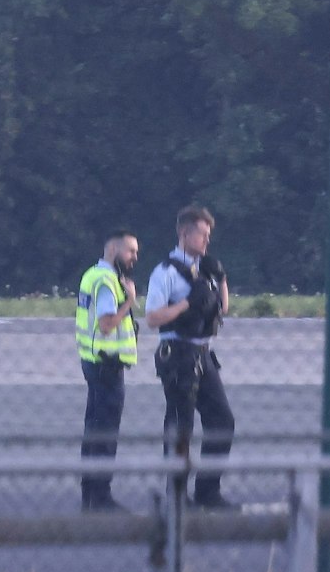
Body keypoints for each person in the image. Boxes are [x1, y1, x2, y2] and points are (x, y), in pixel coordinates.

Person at [144, 203, 236, 509]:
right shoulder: (166, 272)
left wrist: (221, 279)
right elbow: (153, 318)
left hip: (202, 352)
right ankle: (177, 495)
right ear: (185, 233)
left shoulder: (205, 270)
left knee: (222, 421)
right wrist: (185, 305)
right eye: (202, 235)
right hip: (178, 354)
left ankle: (208, 491)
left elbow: (222, 309)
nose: (207, 241)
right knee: (181, 425)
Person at [76, 229, 140, 511]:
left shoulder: (92, 275)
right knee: (105, 433)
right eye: (131, 251)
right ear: (113, 250)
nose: (134, 258)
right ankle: (101, 497)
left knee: (93, 430)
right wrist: (129, 302)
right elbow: (105, 324)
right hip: (106, 366)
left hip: (92, 362)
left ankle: (89, 494)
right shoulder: (106, 282)